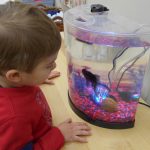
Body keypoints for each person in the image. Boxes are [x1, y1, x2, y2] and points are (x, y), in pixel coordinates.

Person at [0, 1, 91, 150]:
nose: (54, 66)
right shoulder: (14, 119)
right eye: (48, 65)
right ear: (15, 75)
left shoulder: (10, 79)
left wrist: (32, 79)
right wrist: (59, 135)